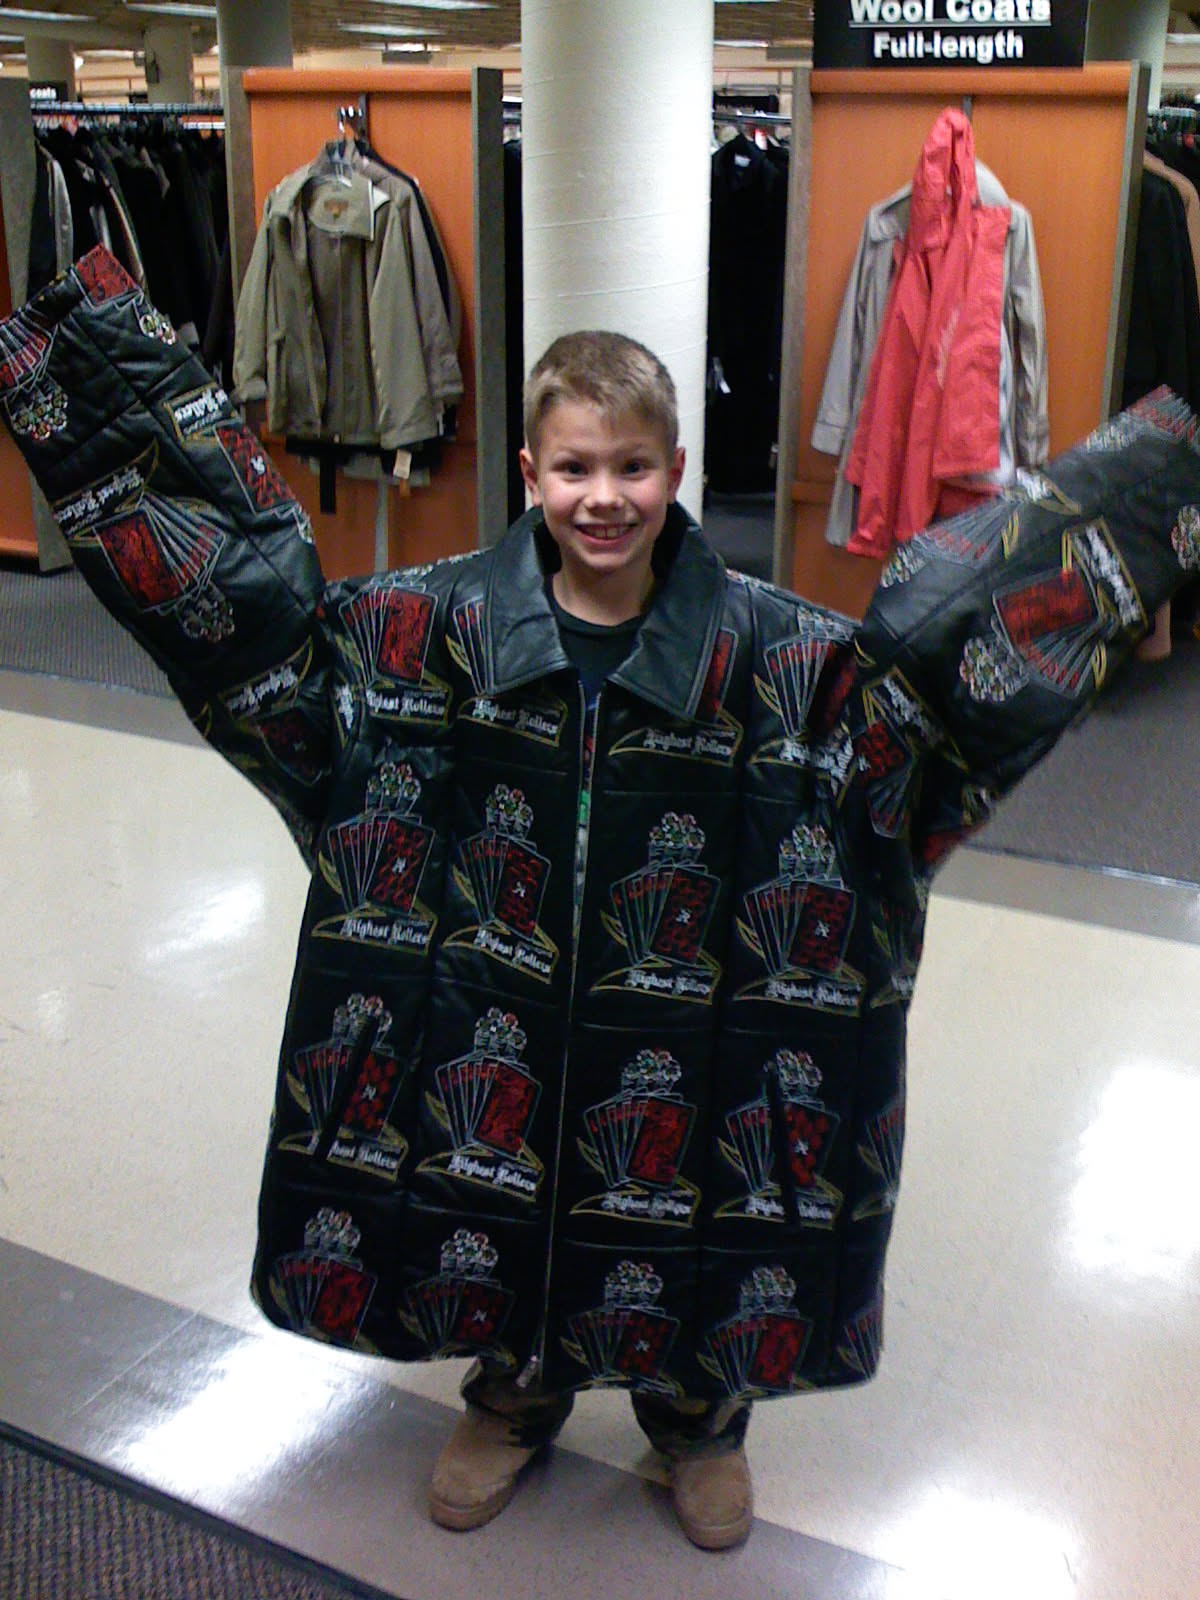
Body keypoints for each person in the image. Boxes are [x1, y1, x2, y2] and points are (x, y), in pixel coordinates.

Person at [4, 249, 1200, 1555]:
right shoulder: (422, 633)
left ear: (675, 470)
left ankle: (699, 1417)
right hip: (498, 984)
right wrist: (93, 382)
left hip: (696, 1003)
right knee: (492, 1169)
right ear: (531, 474)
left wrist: (1166, 478)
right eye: (574, 468)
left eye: (632, 467)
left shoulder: (792, 663)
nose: (604, 496)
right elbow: (251, 621)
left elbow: (946, 668)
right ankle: (516, 1390)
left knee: (697, 1183)